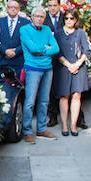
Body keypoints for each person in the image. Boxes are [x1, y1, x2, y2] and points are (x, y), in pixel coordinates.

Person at [19, 8, 60, 143]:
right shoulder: (24, 30)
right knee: (30, 102)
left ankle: (41, 129)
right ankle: (27, 131)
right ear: (32, 17)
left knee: (44, 101)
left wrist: (42, 50)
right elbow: (33, 49)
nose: (39, 19)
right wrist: (46, 48)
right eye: (37, 16)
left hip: (48, 69)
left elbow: (56, 48)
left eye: (42, 17)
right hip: (32, 69)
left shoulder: (47, 30)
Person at [53, 9, 90, 137]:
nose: (69, 20)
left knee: (76, 95)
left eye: (72, 18)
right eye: (67, 18)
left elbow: (86, 51)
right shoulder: (58, 34)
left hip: (78, 67)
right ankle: (64, 124)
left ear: (76, 20)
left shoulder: (80, 33)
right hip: (63, 67)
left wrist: (77, 64)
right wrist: (69, 65)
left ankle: (73, 124)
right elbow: (56, 52)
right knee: (64, 96)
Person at [43, 0, 64, 128]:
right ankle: (52, 116)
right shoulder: (44, 20)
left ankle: (78, 118)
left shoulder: (66, 17)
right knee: (50, 89)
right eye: (50, 5)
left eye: (54, 5)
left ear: (59, 6)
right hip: (50, 58)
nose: (52, 8)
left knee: (67, 88)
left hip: (64, 56)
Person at [0, 0, 29, 74]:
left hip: (19, 60)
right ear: (6, 9)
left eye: (16, 7)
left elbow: (27, 41)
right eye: (10, 7)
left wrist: (16, 51)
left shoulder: (26, 22)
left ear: (19, 9)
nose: (13, 9)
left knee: (18, 84)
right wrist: (5, 51)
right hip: (2, 60)